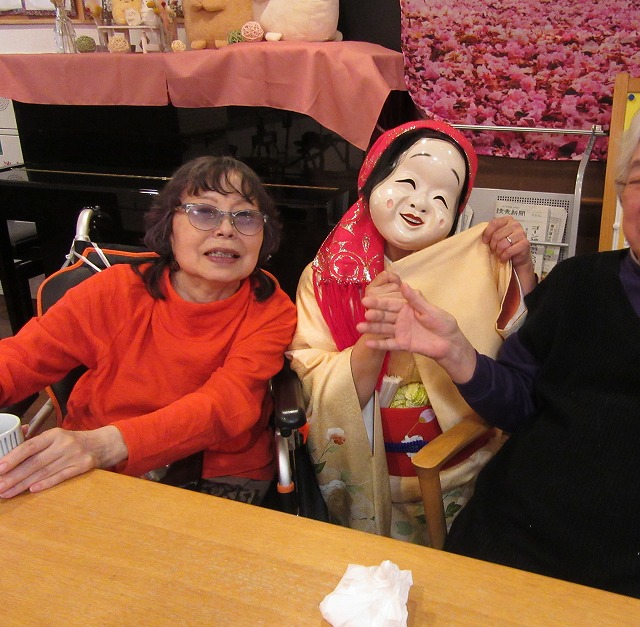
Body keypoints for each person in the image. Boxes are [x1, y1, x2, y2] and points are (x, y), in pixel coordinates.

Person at [356, 112, 640, 597]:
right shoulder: (577, 283)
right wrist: (456, 352)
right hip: (514, 532)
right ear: (621, 192)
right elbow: (519, 402)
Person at [288, 120, 536, 544]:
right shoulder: (326, 277)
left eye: (441, 197)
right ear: (372, 177)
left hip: (461, 468)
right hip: (373, 472)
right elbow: (312, 380)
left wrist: (520, 268)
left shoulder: (473, 262)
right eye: (407, 182)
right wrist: (373, 339)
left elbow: (521, 351)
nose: (420, 203)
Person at [0, 155, 296, 504]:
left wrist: (104, 444)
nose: (227, 229)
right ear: (169, 227)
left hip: (213, 470)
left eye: (245, 216)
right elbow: (23, 357)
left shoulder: (271, 311)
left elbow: (225, 405)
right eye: (204, 211)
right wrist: (94, 446)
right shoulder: (115, 289)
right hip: (95, 461)